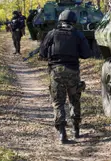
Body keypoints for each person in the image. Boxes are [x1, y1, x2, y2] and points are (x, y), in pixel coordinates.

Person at [39, 9, 91, 144]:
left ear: (60, 20)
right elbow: (86, 54)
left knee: (58, 103)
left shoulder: (51, 34)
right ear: (74, 21)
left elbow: (43, 53)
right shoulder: (78, 34)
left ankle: (62, 133)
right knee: (74, 100)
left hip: (56, 72)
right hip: (73, 71)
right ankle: (76, 130)